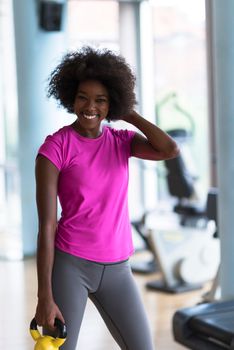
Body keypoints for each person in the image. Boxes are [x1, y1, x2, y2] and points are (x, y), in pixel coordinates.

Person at [34, 46, 179, 350]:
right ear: (71, 98)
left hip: (118, 268)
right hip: (71, 265)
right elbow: (47, 226)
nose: (90, 106)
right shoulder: (55, 148)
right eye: (83, 97)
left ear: (112, 103)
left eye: (101, 100)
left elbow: (169, 150)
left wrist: (129, 114)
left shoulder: (121, 142)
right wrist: (44, 297)